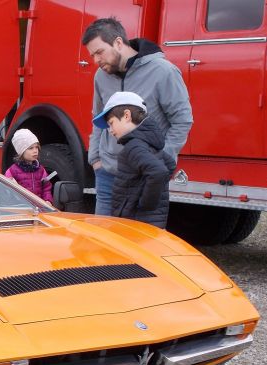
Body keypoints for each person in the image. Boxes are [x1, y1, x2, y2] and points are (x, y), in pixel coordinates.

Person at [82, 17, 192, 216]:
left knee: (137, 241)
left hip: (144, 175)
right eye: (92, 55)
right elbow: (98, 118)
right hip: (107, 174)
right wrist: (95, 159)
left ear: (117, 42)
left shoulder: (163, 72)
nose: (96, 60)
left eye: (99, 52)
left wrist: (163, 159)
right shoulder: (100, 76)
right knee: (104, 241)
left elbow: (182, 120)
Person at [92, 91, 175, 228]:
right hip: (149, 223)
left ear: (127, 115)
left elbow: (158, 172)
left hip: (137, 224)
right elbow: (169, 164)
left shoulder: (134, 146)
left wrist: (145, 203)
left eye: (111, 123)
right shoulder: (148, 142)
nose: (110, 130)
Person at [5, 129, 53, 203]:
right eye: (31, 148)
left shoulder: (41, 170)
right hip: (22, 210)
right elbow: (8, 192)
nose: (35, 150)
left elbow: (46, 188)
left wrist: (48, 200)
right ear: (21, 151)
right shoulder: (12, 171)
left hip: (38, 209)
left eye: (36, 147)